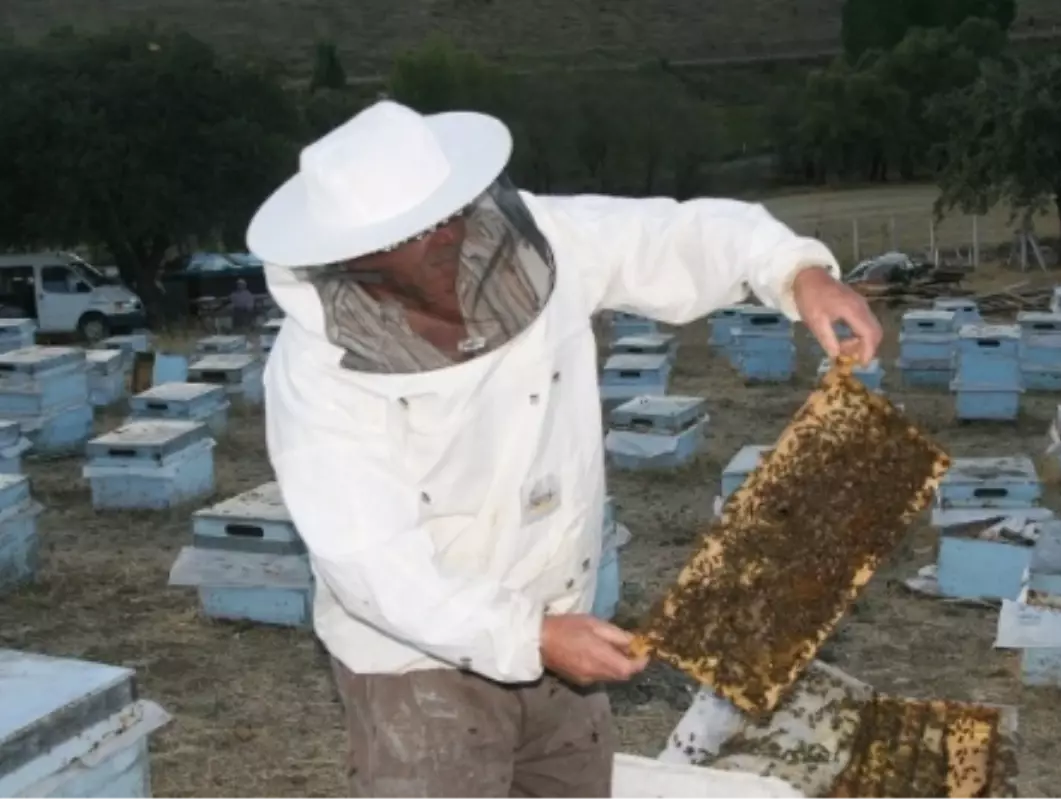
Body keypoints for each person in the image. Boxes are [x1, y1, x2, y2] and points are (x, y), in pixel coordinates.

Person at [245, 100, 882, 799]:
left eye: (451, 210)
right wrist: (530, 636)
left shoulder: (533, 240)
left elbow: (667, 235)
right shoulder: (315, 376)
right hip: (416, 662)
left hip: (557, 609)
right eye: (418, 228)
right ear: (355, 253)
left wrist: (794, 272)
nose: (449, 234)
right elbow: (373, 565)